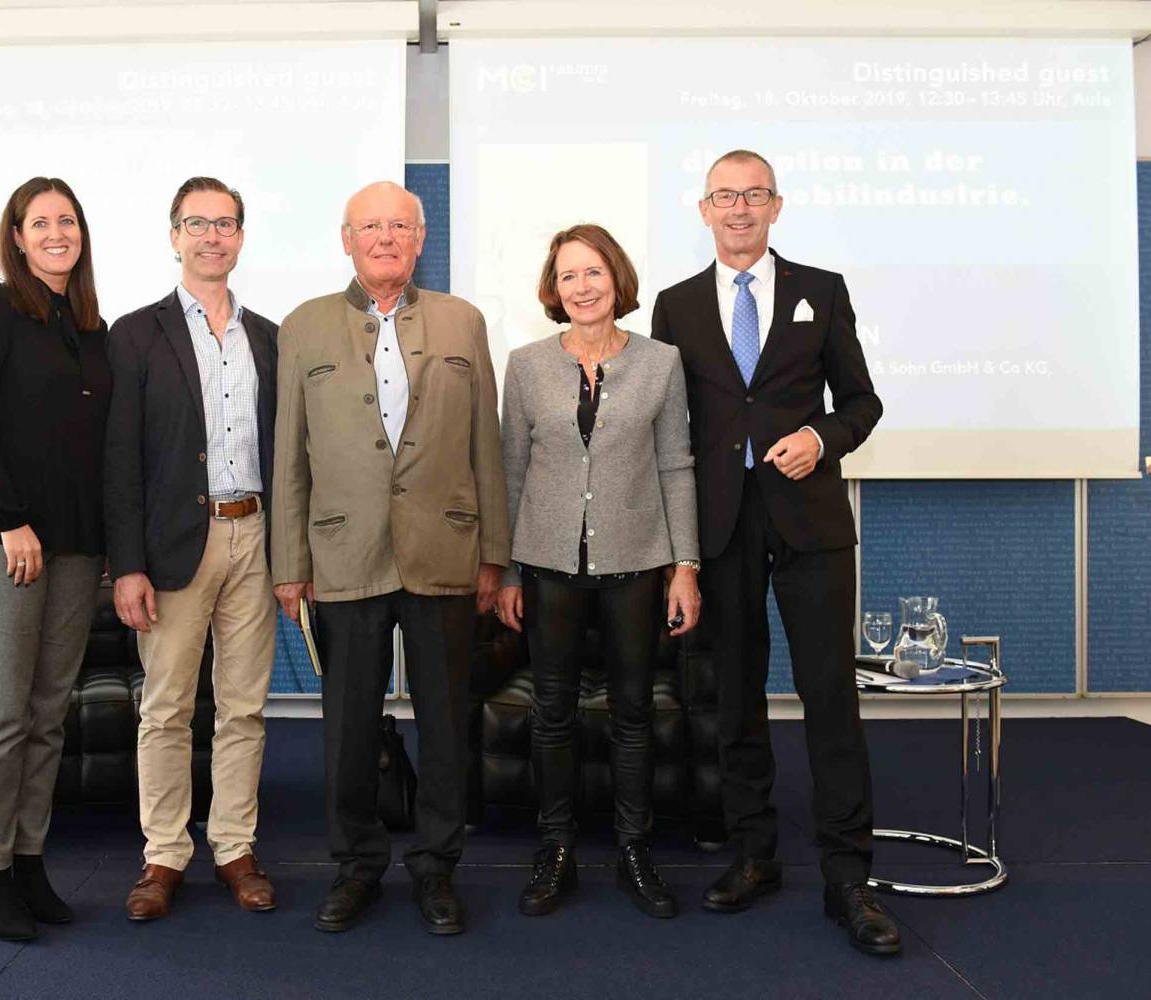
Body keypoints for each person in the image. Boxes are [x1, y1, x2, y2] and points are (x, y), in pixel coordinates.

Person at [650, 149, 898, 956]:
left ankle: (847, 876)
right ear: (704, 209)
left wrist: (821, 437)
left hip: (810, 523)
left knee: (830, 697)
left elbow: (862, 402)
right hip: (721, 528)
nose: (740, 209)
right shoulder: (675, 305)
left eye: (754, 195)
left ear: (777, 206)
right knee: (737, 699)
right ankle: (755, 854)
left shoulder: (820, 291)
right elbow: (671, 430)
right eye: (726, 196)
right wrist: (678, 552)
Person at [270, 180, 509, 936]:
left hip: (446, 546)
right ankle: (357, 866)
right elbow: (289, 458)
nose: (385, 238)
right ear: (346, 239)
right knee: (347, 727)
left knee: (444, 724)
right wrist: (287, 560)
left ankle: (437, 868)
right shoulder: (303, 327)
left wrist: (494, 554)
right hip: (343, 552)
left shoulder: (462, 322)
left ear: (419, 238)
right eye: (369, 226)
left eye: (398, 226)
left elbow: (487, 450)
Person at [495, 224, 700, 919]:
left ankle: (634, 849)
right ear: (553, 290)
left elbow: (676, 464)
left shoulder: (661, 363)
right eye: (569, 276)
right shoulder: (524, 365)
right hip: (548, 566)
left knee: (633, 713)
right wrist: (510, 574)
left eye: (594, 273)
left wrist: (685, 567)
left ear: (617, 280)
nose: (582, 287)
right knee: (551, 714)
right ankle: (554, 850)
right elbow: (512, 471)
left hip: (637, 564)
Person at [103, 177, 280, 922]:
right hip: (177, 542)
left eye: (226, 223)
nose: (213, 236)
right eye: (197, 223)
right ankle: (165, 855)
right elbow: (118, 457)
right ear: (173, 235)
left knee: (244, 708)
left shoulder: (270, 337)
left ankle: (235, 847)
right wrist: (128, 563)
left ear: (241, 237)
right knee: (167, 707)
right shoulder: (135, 333)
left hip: (257, 534)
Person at [0, 176, 110, 942]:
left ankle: (31, 856)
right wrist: (11, 522)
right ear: (16, 237)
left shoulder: (89, 326)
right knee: (5, 712)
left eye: (67, 221)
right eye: (39, 221)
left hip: (78, 548)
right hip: (4, 540)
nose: (56, 233)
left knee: (49, 715)